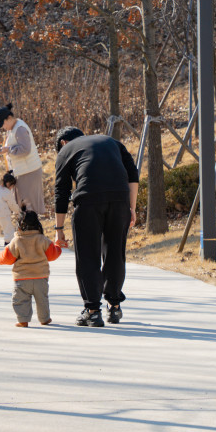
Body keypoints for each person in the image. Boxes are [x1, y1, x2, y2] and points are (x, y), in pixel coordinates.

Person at [53, 126, 138, 328]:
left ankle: (92, 311)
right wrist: (131, 209)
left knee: (87, 254)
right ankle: (114, 306)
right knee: (115, 252)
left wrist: (59, 230)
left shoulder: (66, 150)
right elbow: (132, 175)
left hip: (88, 199)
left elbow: (61, 191)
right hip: (119, 199)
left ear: (63, 143)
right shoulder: (111, 142)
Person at [0, 205, 62, 327]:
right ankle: (44, 318)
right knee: (42, 300)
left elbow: (7, 258)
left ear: (19, 225)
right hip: (41, 277)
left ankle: (23, 320)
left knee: (20, 300)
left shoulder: (17, 241)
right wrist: (58, 247)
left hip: (22, 279)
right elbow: (52, 255)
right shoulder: (42, 239)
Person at [0, 103, 46, 214]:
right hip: (23, 171)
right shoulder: (12, 129)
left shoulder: (20, 129)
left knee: (30, 209)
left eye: (2, 124)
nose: (3, 127)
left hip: (29, 172)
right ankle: (27, 230)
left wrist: (8, 149)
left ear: (9, 118)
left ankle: (34, 230)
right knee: (24, 208)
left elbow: (26, 150)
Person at [0, 171, 19, 247]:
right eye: (12, 186)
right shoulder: (7, 192)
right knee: (8, 228)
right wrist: (18, 211)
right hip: (3, 213)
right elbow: (12, 204)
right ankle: (8, 242)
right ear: (9, 184)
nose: (12, 188)